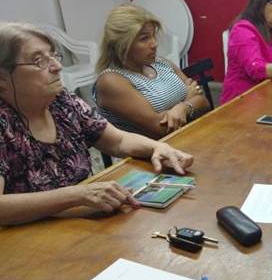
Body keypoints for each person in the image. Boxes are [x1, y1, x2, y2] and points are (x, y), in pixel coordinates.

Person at [0, 23, 194, 226]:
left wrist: (157, 147)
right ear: (2, 78)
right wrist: (77, 195)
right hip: (29, 235)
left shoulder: (62, 101)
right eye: (38, 61)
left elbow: (118, 141)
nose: (57, 66)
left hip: (80, 221)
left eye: (53, 55)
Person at [95, 3, 210, 139]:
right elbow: (161, 129)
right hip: (154, 150)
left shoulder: (161, 63)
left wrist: (183, 108)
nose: (154, 44)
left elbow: (204, 102)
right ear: (122, 44)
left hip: (189, 137)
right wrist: (188, 102)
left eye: (153, 36)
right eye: (144, 38)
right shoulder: (111, 81)